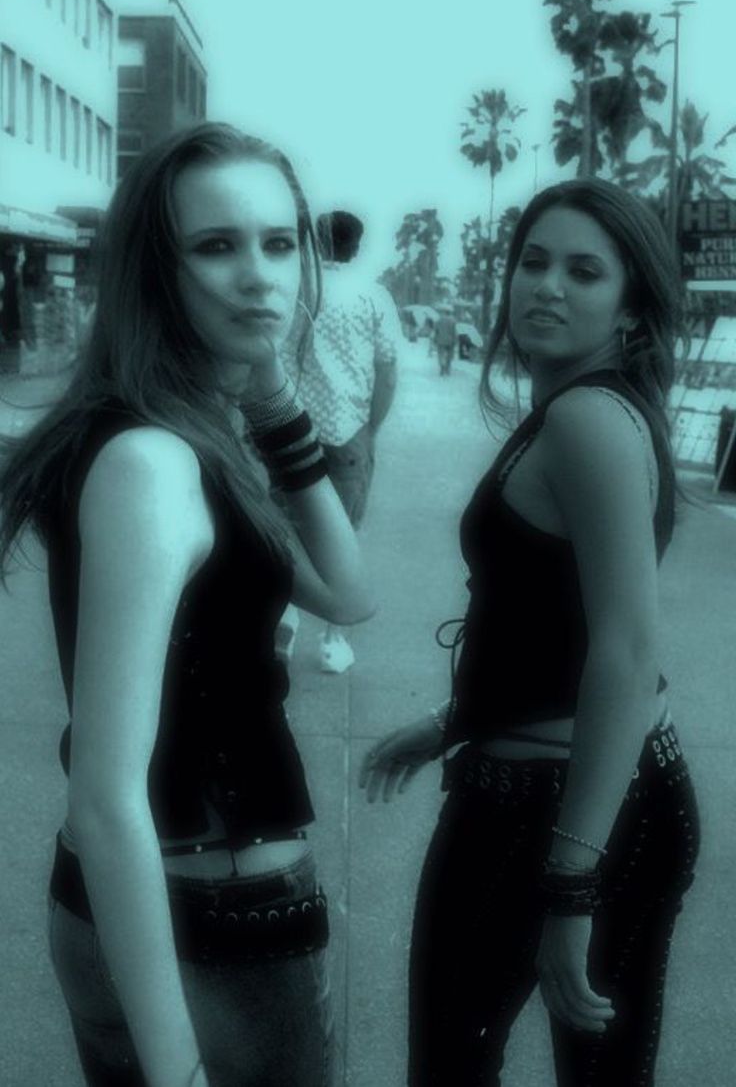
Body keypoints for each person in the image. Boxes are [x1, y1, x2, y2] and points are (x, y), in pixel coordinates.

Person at [0, 123, 375, 1087]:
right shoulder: (152, 461)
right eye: (216, 247)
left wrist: (276, 397)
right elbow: (108, 792)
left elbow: (346, 591)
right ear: (155, 273)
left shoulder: (181, 432)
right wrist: (177, 1073)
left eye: (279, 241)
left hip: (156, 909)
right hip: (207, 921)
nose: (261, 277)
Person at [360, 178, 700, 1087]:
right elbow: (559, 625)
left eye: (584, 271)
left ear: (631, 305)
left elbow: (626, 652)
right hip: (594, 791)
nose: (545, 286)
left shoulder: (589, 418)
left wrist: (572, 884)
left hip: (553, 814)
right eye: (533, 261)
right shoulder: (596, 409)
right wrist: (449, 720)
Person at [281, 208, 401, 672]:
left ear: (314, 243)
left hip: (286, 430)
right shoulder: (373, 297)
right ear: (356, 246)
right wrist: (371, 428)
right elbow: (387, 370)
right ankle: (333, 641)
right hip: (347, 429)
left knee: (283, 530)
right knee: (343, 534)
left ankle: (283, 619)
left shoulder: (295, 290)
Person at [434, 305, 457, 376]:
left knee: (440, 354)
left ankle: (442, 367)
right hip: (450, 341)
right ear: (450, 313)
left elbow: (436, 331)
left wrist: (435, 339)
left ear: (444, 312)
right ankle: (447, 368)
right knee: (449, 355)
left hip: (440, 340)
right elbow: (454, 332)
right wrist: (455, 340)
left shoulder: (439, 320)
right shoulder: (453, 321)